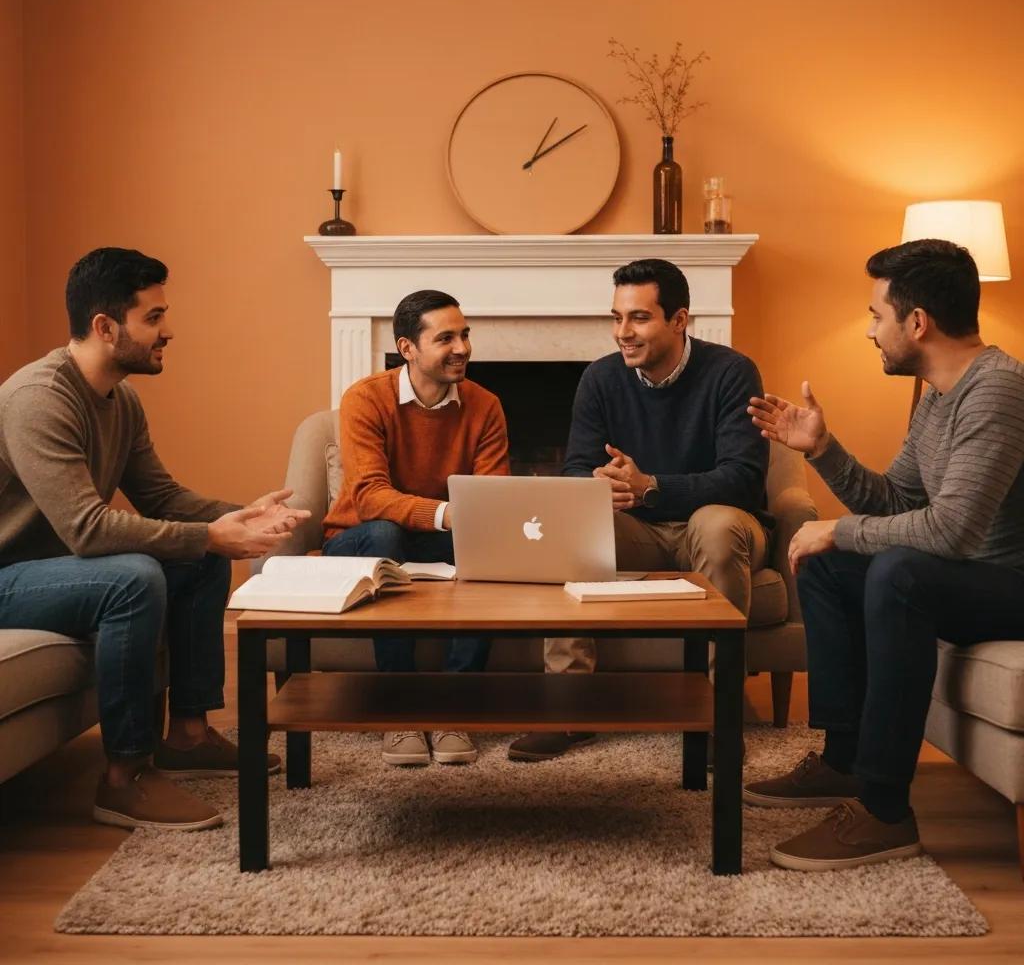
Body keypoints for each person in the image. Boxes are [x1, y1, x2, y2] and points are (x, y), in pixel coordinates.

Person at [0, 247, 308, 831]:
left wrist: (239, 517)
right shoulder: (38, 400)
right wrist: (209, 535)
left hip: (57, 568)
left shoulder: (122, 400)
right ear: (104, 326)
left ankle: (188, 735)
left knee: (197, 556)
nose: (169, 331)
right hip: (9, 578)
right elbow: (87, 529)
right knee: (136, 576)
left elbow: (162, 498)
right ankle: (124, 776)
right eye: (154, 317)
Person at [745, 238, 1024, 871]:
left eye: (877, 315)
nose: (872, 331)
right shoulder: (938, 396)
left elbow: (950, 532)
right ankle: (844, 761)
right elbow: (898, 500)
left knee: (894, 571)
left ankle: (886, 811)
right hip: (967, 578)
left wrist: (840, 530)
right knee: (823, 561)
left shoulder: (998, 391)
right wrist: (822, 449)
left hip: (1008, 581)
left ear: (917, 321)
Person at [509, 258, 770, 762]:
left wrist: (651, 487)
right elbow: (576, 471)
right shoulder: (601, 379)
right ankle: (569, 709)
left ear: (679, 320)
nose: (622, 333)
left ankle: (722, 713)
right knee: (572, 522)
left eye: (639, 318)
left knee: (714, 525)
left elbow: (742, 478)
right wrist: (597, 485)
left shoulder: (731, 372)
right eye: (616, 317)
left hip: (721, 523)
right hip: (638, 530)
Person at [322, 289, 510, 767]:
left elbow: (490, 501)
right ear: (407, 348)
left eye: (465, 334)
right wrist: (449, 513)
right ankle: (399, 707)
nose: (463, 348)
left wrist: (470, 521)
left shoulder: (485, 405)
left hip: (432, 537)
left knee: (484, 548)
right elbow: (369, 497)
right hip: (358, 538)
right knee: (386, 535)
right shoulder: (365, 398)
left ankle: (457, 704)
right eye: (445, 338)